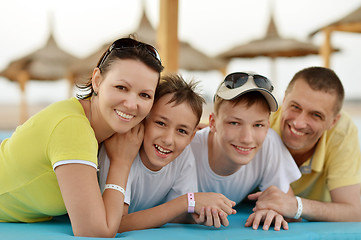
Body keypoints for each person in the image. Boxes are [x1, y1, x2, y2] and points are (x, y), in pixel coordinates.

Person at [0, 37, 164, 237]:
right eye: (121, 87)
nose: (131, 104)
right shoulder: (73, 128)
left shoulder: (103, 125)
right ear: (97, 80)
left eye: (145, 95)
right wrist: (121, 163)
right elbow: (95, 232)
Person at [98, 74, 236, 233]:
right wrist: (187, 202)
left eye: (182, 131)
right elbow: (116, 223)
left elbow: (174, 211)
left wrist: (195, 215)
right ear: (143, 120)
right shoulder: (120, 149)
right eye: (161, 123)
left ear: (192, 137)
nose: (168, 140)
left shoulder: (184, 156)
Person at [190, 72, 302, 231]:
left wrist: (275, 211)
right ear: (213, 123)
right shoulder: (189, 148)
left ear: (267, 126)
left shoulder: (269, 142)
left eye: (258, 125)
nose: (247, 138)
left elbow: (288, 205)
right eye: (234, 123)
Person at [249, 66, 361, 222]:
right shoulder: (256, 120)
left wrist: (296, 206)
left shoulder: (342, 132)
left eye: (316, 115)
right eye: (295, 107)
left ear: (333, 122)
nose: (299, 123)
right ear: (284, 99)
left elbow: (354, 212)